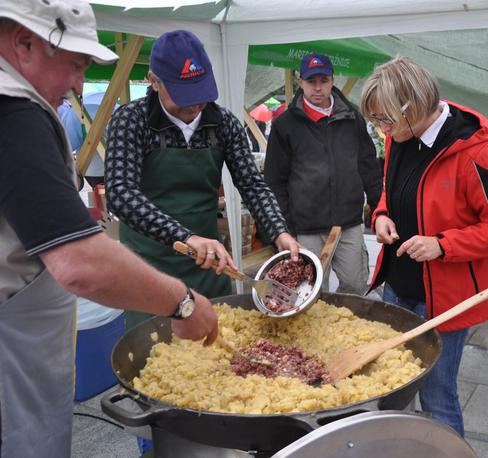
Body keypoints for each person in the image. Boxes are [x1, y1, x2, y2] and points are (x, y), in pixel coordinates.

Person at [0, 2, 218, 457]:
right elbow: (79, 262)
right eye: (75, 66)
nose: (79, 85)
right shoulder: (14, 113)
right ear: (23, 44)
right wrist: (182, 303)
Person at [360, 56, 488, 436]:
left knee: (437, 397)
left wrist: (442, 245)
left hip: (444, 300)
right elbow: (392, 189)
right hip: (396, 285)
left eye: (385, 120)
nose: (382, 130)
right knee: (390, 387)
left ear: (412, 108)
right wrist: (381, 215)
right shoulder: (398, 134)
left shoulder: (477, 151)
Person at [105, 30, 299, 328]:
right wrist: (185, 237)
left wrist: (278, 232)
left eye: (200, 93)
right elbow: (121, 192)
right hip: (147, 267)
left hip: (208, 266)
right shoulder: (132, 120)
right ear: (153, 81)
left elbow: (252, 184)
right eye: (183, 95)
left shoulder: (222, 123)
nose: (194, 105)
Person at [264, 53, 382, 295]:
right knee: (310, 292)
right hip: (306, 228)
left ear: (332, 80)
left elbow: (369, 165)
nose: (317, 88)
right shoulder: (285, 125)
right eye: (311, 81)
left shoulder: (351, 117)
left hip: (348, 222)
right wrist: (284, 227)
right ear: (300, 81)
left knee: (356, 285)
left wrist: (379, 208)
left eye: (323, 80)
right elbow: (275, 180)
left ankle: (347, 332)